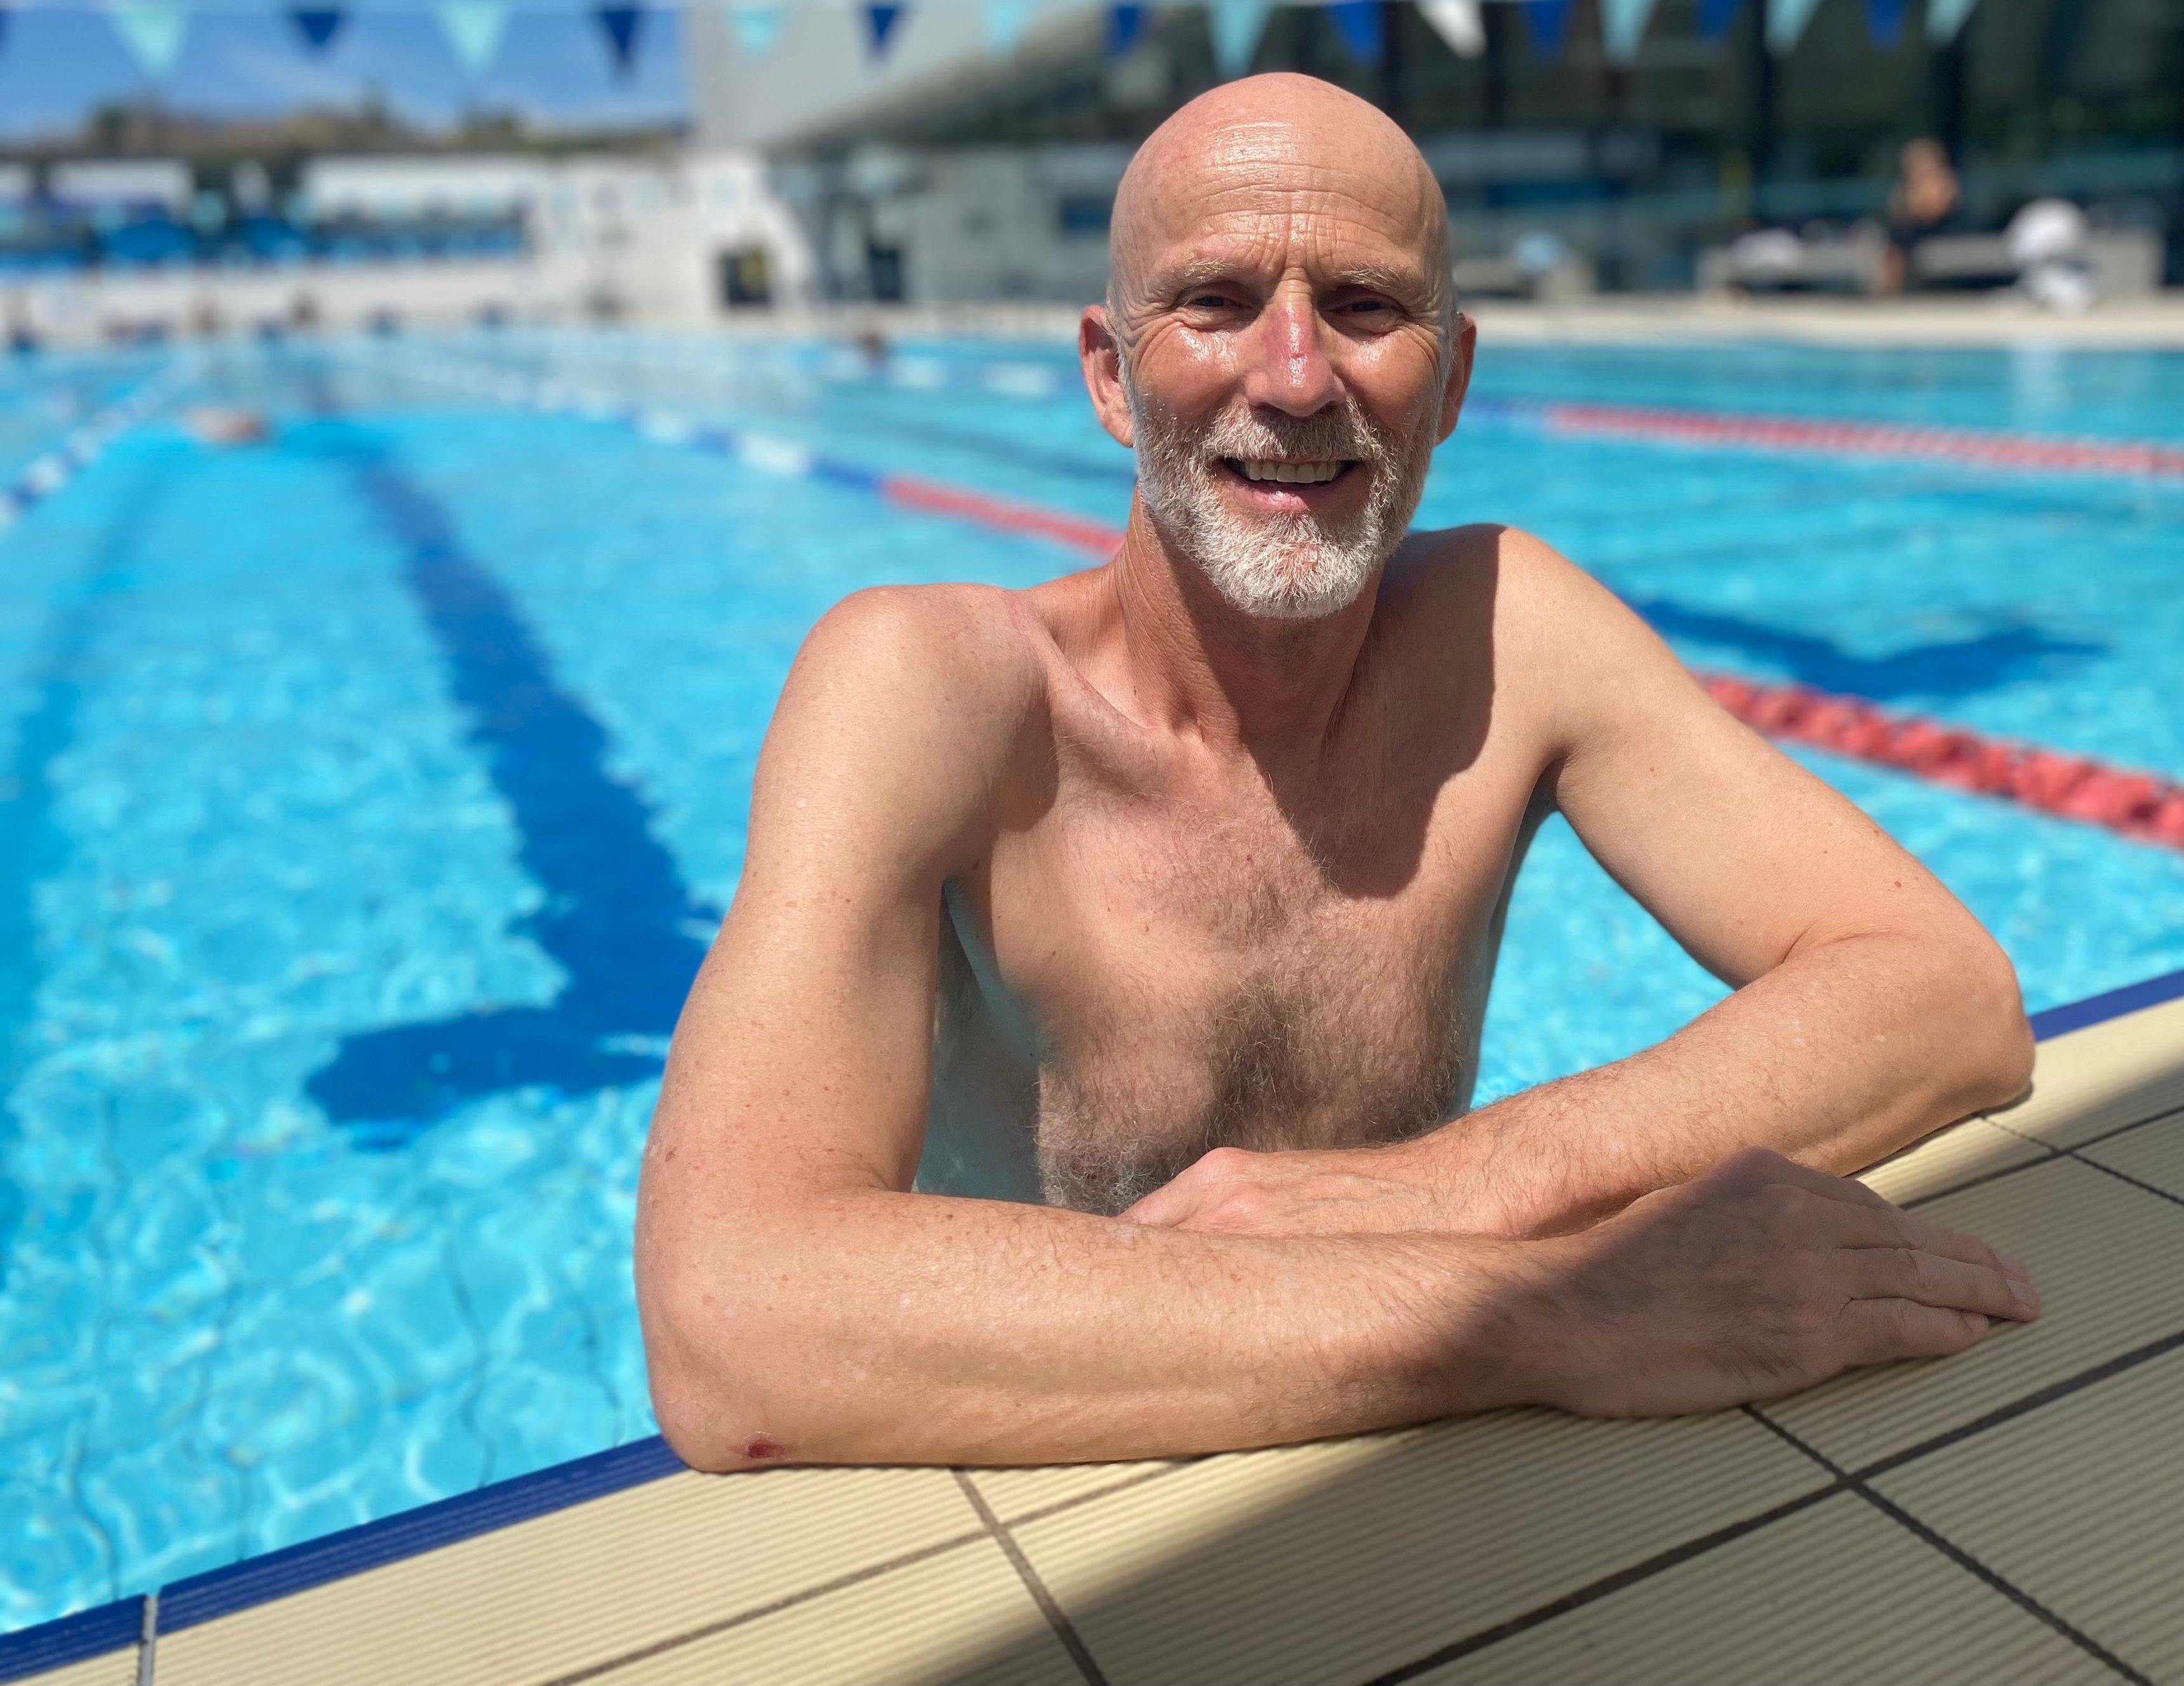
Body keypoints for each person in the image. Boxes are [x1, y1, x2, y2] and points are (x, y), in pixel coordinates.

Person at [637, 74, 2038, 1472]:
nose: (1297, 377)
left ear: (1454, 383)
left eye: (1366, 307)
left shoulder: (1510, 637)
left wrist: (1451, 1190)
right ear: (1111, 377)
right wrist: (1550, 1309)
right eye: (1216, 302)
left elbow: (1947, 995)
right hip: (1065, 1439)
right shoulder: (933, 690)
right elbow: (733, 1313)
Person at [1877, 135, 1962, 294]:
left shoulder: (1943, 181)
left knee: (1898, 241)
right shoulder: (1907, 185)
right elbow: (1898, 211)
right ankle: (1888, 288)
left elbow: (1935, 210)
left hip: (1939, 231)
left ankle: (1889, 287)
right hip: (1911, 233)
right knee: (1893, 241)